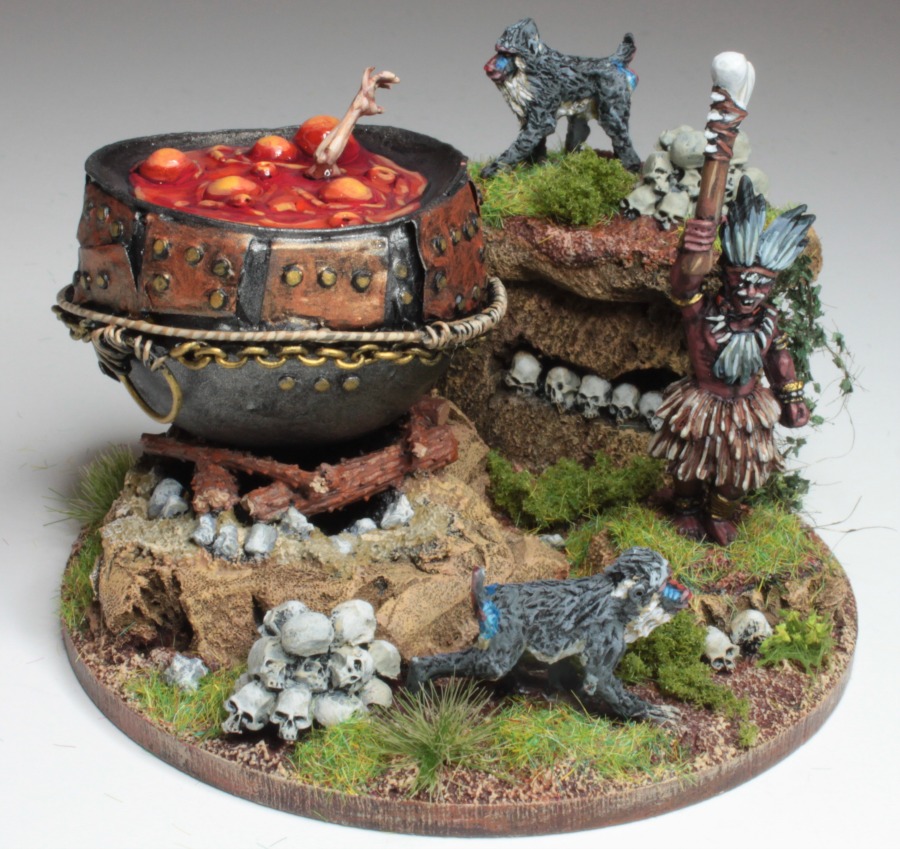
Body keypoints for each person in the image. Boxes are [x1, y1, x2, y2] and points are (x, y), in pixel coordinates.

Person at [649, 176, 814, 545]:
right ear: (725, 276)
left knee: (742, 468)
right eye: (742, 281)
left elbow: (779, 358)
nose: (750, 292)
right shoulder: (702, 313)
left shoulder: (769, 321)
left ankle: (718, 514)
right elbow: (683, 287)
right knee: (689, 462)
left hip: (747, 408)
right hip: (703, 402)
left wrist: (791, 397)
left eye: (761, 285)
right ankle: (687, 510)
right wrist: (693, 249)